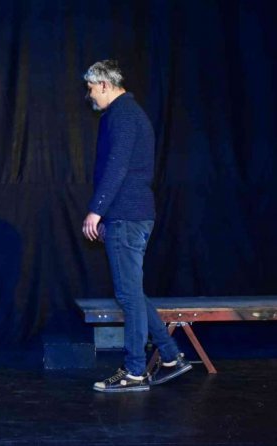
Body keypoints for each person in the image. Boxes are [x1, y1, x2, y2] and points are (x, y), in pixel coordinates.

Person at [81, 60, 192, 392]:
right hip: (128, 214)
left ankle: (134, 371)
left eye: (91, 88)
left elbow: (117, 168)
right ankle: (171, 357)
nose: (89, 95)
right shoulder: (123, 114)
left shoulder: (125, 115)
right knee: (132, 292)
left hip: (127, 215)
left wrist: (96, 211)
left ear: (104, 84)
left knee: (128, 295)